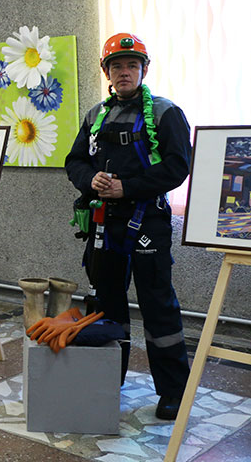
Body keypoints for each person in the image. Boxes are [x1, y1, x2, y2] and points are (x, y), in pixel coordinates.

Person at [64, 33, 191, 420]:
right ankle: (107, 382)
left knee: (158, 305)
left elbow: (178, 167)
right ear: (106, 72)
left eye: (131, 65)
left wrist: (128, 187)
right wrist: (91, 180)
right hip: (106, 223)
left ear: (144, 70)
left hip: (148, 220)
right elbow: (75, 161)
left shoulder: (166, 113)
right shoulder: (95, 116)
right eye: (116, 66)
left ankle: (173, 392)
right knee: (107, 305)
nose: (124, 72)